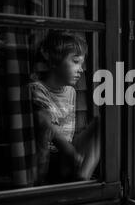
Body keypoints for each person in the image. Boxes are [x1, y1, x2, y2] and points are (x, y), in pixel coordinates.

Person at [29, 31, 99, 185]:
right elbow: (46, 125)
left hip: (68, 153)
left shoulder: (71, 92)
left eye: (81, 63)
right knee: (45, 119)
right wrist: (70, 152)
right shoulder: (38, 89)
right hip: (49, 157)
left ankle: (83, 176)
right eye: (75, 61)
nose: (81, 69)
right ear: (54, 62)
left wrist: (73, 151)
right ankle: (79, 178)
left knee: (102, 123)